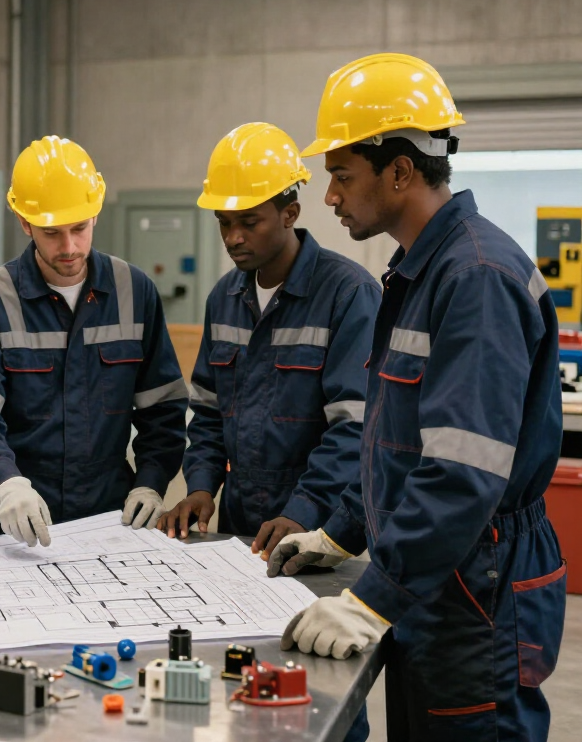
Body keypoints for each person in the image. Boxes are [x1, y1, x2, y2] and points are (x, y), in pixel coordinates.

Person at [273, 53, 565, 741]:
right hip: (434, 575)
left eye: (342, 176)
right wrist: (340, 531)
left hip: (477, 591)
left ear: (399, 171)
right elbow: (395, 442)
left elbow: (463, 474)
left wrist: (373, 599)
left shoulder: (476, 278)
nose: (331, 197)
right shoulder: (419, 274)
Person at [0, 135, 188, 546]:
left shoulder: (135, 291)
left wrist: (150, 482)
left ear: (95, 215)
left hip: (112, 515)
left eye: (79, 228)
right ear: (25, 223)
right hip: (15, 518)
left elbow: (162, 409)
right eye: (52, 232)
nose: (70, 247)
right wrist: (7, 485)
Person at [158, 123, 378, 554]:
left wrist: (305, 509)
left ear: (289, 213)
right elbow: (206, 412)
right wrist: (201, 487)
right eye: (224, 223)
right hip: (240, 524)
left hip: (321, 528)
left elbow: (356, 428)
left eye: (249, 222)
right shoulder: (225, 296)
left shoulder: (348, 295)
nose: (233, 237)